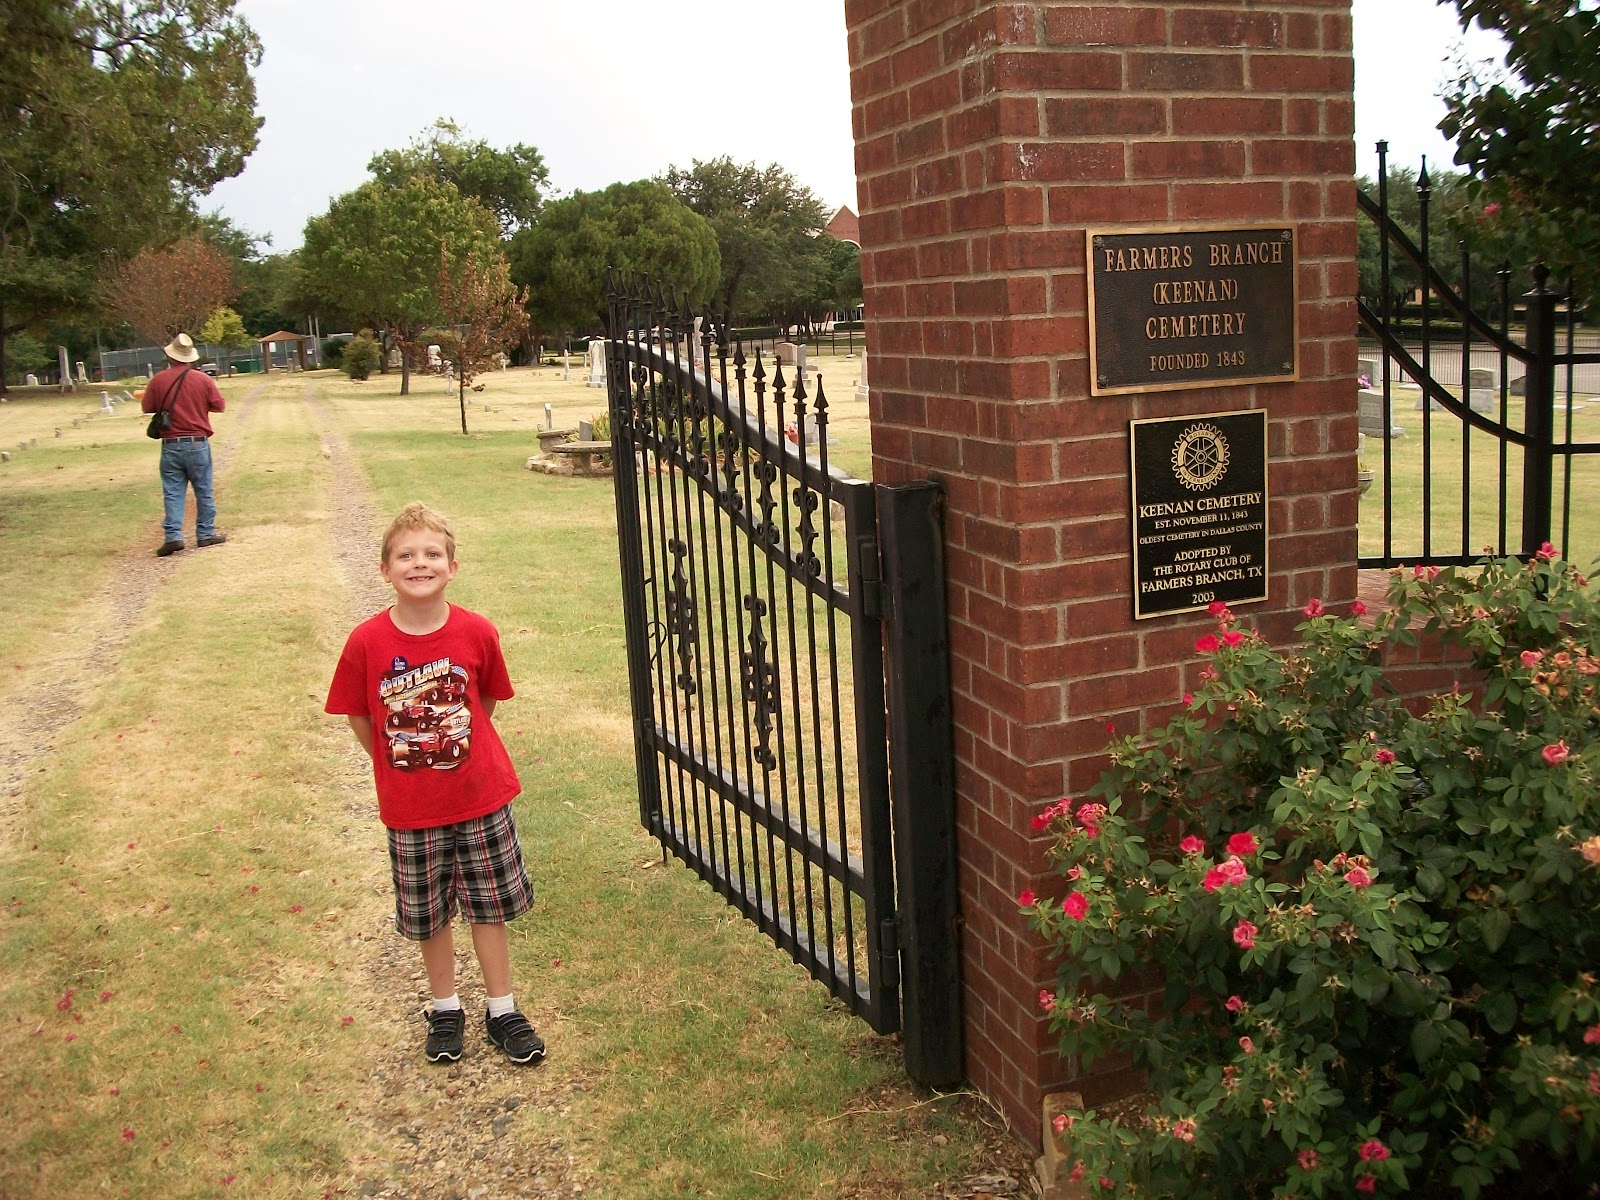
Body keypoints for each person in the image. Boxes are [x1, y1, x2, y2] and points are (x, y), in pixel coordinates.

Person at [324, 502, 545, 1066]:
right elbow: (359, 715)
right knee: (429, 913)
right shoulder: (367, 643)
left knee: (488, 907)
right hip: (411, 806)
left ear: (452, 566)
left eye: (431, 554)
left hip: (480, 797)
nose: (418, 564)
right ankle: (444, 1007)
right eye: (405, 555)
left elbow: (486, 700)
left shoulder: (476, 631)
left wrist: (454, 747)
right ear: (385, 569)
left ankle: (502, 1009)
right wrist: (402, 756)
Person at [140, 332, 227, 557]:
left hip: (170, 443)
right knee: (204, 488)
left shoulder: (159, 380)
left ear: (170, 356)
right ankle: (205, 533)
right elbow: (219, 406)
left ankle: (173, 536)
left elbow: (147, 407)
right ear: (190, 357)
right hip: (197, 442)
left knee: (173, 490)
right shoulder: (202, 379)